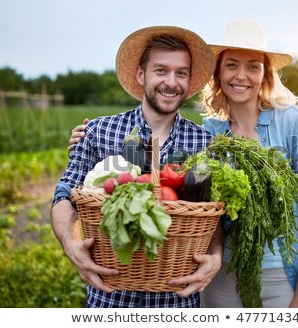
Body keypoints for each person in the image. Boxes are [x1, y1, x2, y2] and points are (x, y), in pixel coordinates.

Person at [68, 20, 298, 308]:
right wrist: (88, 136)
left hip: (282, 271)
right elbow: (183, 191)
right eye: (232, 65)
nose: (241, 75)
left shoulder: (291, 121)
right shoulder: (209, 133)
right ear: (218, 72)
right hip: (221, 274)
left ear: (264, 74)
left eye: (253, 66)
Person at [51, 25, 225, 308]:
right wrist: (71, 246)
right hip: (110, 299)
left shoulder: (205, 143)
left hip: (176, 302)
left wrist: (215, 257)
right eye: (160, 70)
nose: (171, 82)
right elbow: (63, 195)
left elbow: (215, 216)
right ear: (141, 74)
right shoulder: (97, 131)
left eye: (181, 72)